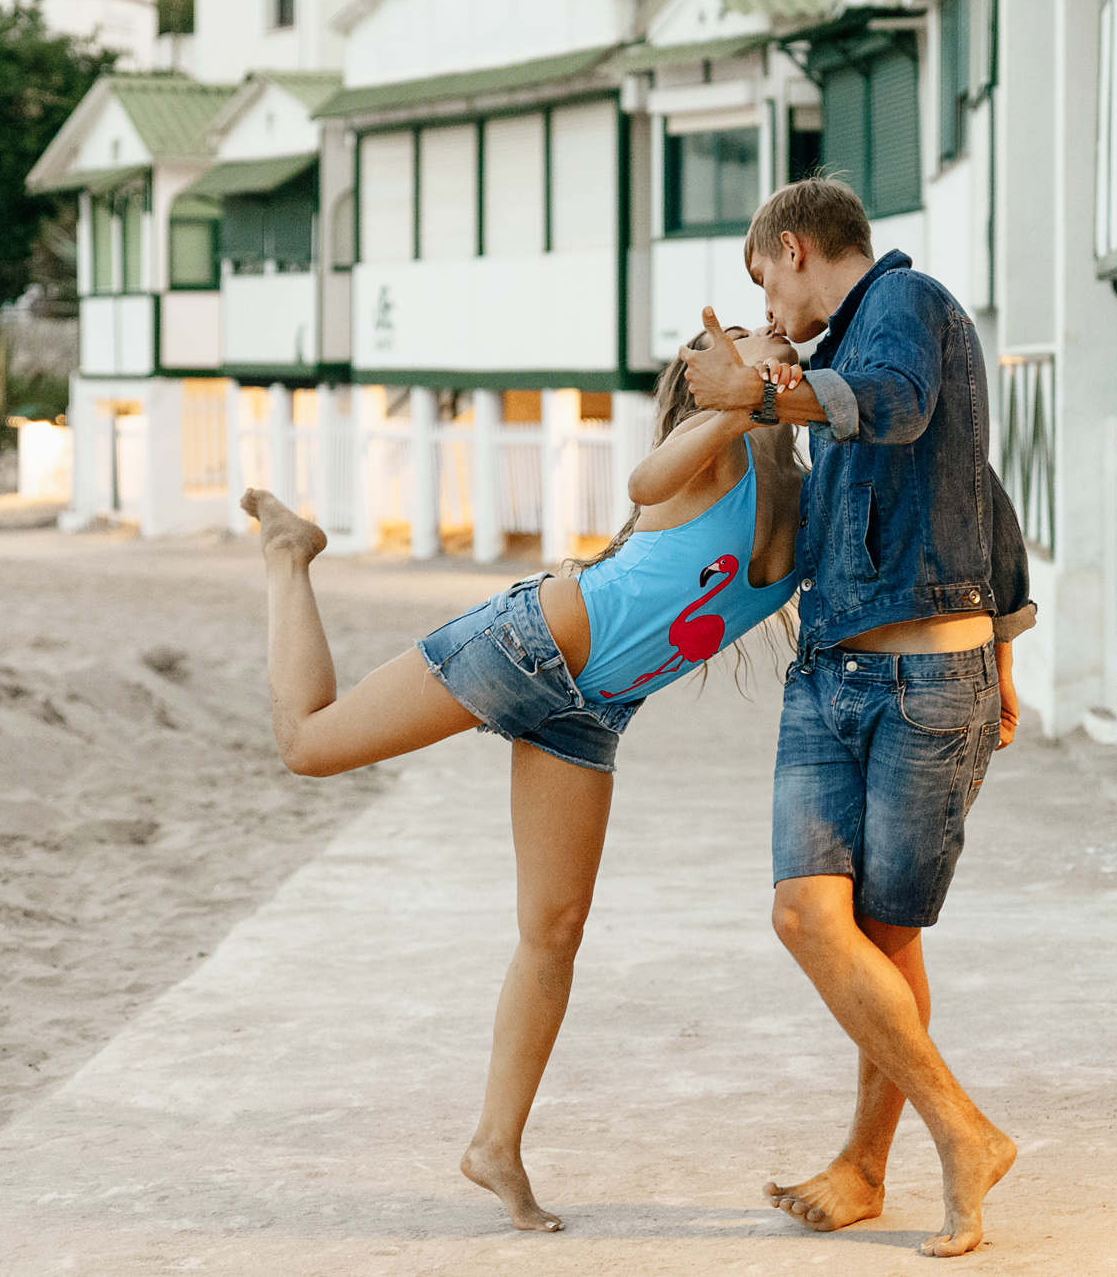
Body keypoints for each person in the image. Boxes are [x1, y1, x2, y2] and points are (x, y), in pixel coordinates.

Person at [239, 327, 804, 1234]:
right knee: (307, 744)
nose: (767, 332)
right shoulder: (711, 451)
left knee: (554, 929)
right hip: (526, 645)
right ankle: (286, 553)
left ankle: (493, 1144)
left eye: (767, 327)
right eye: (741, 333)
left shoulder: (802, 498)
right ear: (704, 381)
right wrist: (738, 400)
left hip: (590, 710)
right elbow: (643, 484)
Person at [679, 177, 1038, 1259]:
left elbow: (900, 410)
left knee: (884, 934)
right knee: (805, 915)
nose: (771, 314)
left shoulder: (907, 305)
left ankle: (874, 1167)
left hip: (927, 683)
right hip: (827, 676)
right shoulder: (835, 358)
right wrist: (765, 414)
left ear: (792, 249)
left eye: (763, 285)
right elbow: (976, 493)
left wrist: (756, 392)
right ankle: (962, 1133)